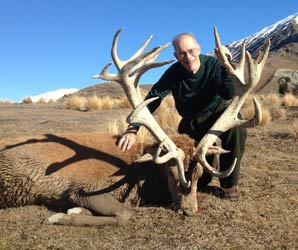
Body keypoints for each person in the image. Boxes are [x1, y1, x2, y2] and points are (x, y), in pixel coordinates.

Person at [117, 32, 247, 200]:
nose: (188, 56)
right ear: (176, 55)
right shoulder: (173, 73)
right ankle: (204, 176)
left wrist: (225, 66)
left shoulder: (214, 65)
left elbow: (228, 93)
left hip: (218, 116)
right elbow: (153, 98)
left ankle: (229, 186)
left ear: (199, 49)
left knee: (236, 131)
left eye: (191, 51)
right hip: (191, 123)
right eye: (182, 53)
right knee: (196, 177)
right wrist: (133, 129)